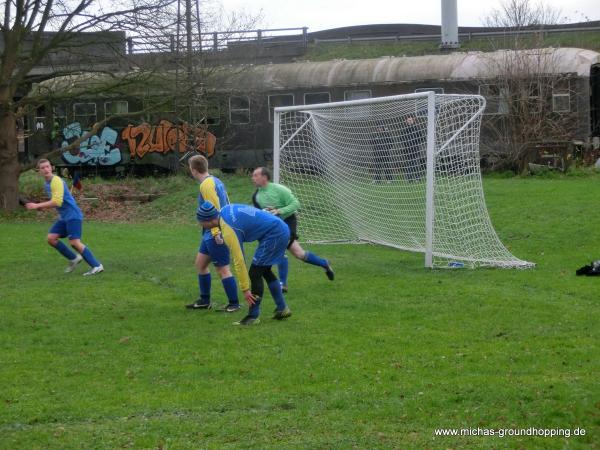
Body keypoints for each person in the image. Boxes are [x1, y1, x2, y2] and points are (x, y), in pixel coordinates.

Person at [196, 201, 291, 326]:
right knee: (265, 270)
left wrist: (245, 289)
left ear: (208, 220)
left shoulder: (229, 230)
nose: (199, 224)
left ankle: (253, 316)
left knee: (255, 273)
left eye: (200, 222)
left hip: (275, 234)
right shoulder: (224, 210)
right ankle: (282, 308)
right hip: (278, 229)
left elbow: (239, 260)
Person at [251, 167, 334, 293]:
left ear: (265, 177)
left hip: (288, 221)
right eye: (253, 176)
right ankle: (324, 263)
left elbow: (296, 204)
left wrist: (279, 211)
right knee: (299, 254)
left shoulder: (279, 189)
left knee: (280, 248)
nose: (253, 178)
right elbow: (259, 214)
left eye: (256, 175)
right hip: (273, 225)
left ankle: (283, 284)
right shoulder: (256, 196)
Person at [25, 159, 103, 276]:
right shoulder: (47, 184)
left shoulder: (56, 181)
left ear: (52, 167)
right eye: (43, 168)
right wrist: (41, 207)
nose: (46, 169)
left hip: (73, 215)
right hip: (64, 217)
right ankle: (74, 258)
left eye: (47, 166)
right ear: (39, 171)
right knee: (51, 238)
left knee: (74, 242)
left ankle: (97, 265)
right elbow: (56, 201)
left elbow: (57, 202)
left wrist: (38, 205)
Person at [186, 155, 240, 312]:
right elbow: (228, 203)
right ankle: (204, 300)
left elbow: (215, 209)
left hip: (216, 231)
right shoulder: (216, 181)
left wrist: (218, 232)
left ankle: (234, 303)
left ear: (194, 170)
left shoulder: (206, 185)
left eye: (190, 168)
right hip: (211, 231)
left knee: (223, 268)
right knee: (201, 264)